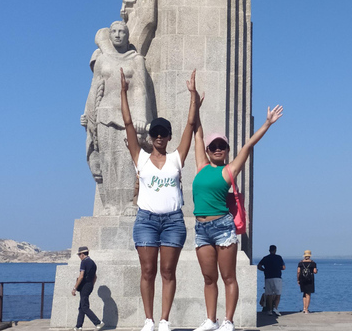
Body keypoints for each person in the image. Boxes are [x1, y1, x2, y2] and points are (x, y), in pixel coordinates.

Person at [122, 68, 201, 331]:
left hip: (173, 222)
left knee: (168, 272)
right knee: (147, 272)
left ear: (168, 137)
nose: (158, 136)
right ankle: (148, 320)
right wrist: (122, 93)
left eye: (163, 133)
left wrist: (192, 95)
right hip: (145, 220)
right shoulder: (141, 158)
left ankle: (164, 320)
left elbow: (190, 126)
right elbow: (129, 124)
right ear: (151, 137)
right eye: (155, 133)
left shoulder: (177, 158)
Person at [192, 104, 284, 331]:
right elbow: (198, 133)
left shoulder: (229, 170)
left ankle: (228, 321)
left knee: (228, 276)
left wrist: (267, 123)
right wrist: (195, 102)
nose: (217, 148)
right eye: (213, 146)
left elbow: (249, 145)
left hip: (223, 226)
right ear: (207, 150)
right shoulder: (201, 166)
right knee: (208, 278)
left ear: (227, 149)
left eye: (222, 145)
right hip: (201, 228)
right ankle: (211, 320)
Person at [82, 21, 156, 216]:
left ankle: (129, 203)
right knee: (108, 161)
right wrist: (88, 114)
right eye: (113, 32)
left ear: (127, 35)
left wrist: (141, 116)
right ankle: (110, 206)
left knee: (127, 161)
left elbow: (140, 89)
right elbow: (94, 89)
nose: (117, 35)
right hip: (104, 115)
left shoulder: (136, 60)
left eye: (121, 32)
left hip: (128, 117)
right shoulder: (102, 60)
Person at [71, 246, 104, 331]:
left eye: (79, 255)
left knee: (84, 306)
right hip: (89, 285)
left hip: (84, 286)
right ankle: (78, 326)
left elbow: (81, 276)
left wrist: (75, 287)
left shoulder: (84, 262)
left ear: (82, 254)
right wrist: (91, 285)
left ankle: (98, 322)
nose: (79, 257)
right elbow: (95, 277)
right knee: (81, 306)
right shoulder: (93, 263)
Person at [257, 245, 286, 315]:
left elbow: (259, 266)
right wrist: (278, 268)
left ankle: (269, 310)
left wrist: (264, 270)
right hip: (277, 277)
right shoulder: (279, 257)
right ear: (275, 250)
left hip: (268, 277)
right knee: (278, 294)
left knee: (269, 294)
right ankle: (275, 308)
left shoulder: (266, 258)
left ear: (269, 250)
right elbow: (283, 267)